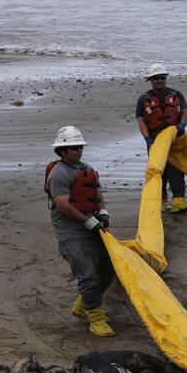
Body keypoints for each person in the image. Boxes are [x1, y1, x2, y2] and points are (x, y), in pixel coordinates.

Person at [46, 125, 116, 337]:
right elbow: (63, 205)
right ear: (62, 151)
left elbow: (96, 193)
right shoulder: (58, 174)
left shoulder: (86, 168)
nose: (78, 151)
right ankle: (94, 317)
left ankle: (84, 305)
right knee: (88, 275)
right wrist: (86, 221)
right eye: (74, 148)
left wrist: (102, 212)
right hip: (71, 232)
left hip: (93, 225)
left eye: (80, 147)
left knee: (108, 270)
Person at [135, 63, 187, 214]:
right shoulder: (143, 99)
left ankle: (178, 201)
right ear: (150, 81)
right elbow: (141, 120)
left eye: (161, 77)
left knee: (177, 169)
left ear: (165, 78)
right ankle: (160, 201)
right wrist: (147, 138)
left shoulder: (177, 95)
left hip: (175, 137)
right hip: (154, 138)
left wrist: (182, 125)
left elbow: (185, 112)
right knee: (158, 170)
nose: (159, 80)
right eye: (155, 78)